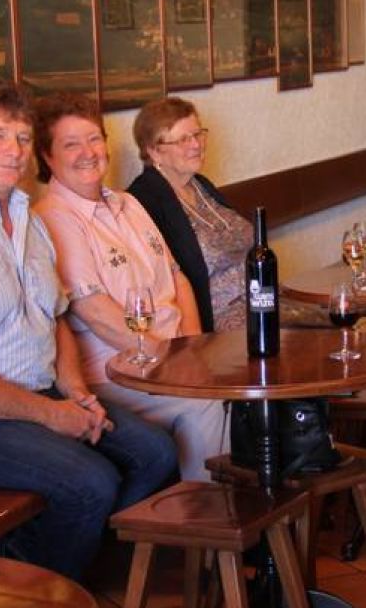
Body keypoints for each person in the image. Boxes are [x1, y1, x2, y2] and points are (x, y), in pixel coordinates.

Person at [0, 79, 177, 581]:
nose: (14, 150)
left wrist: (75, 392)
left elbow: (54, 319)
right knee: (90, 482)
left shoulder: (26, 217)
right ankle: (34, 600)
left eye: (23, 137)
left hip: (36, 392)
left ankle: (55, 570)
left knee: (153, 452)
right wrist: (52, 416)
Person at [32, 93, 228, 481]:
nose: (88, 153)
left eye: (94, 139)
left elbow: (178, 277)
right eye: (71, 144)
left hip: (171, 357)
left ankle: (251, 504)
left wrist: (193, 349)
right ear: (47, 157)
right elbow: (95, 313)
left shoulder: (128, 203)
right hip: (117, 373)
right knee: (204, 403)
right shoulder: (54, 218)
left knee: (243, 378)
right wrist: (172, 361)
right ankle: (208, 515)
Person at [128, 97, 253, 332]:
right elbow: (167, 283)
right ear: (154, 152)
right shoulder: (144, 201)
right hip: (216, 324)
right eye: (183, 139)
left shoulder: (200, 185)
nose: (196, 145)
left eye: (198, 134)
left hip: (257, 302)